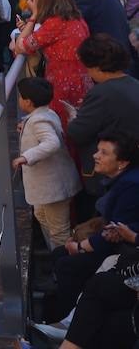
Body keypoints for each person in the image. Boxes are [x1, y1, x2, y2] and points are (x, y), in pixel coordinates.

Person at [51, 133, 139, 319]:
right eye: (98, 150)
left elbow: (115, 232)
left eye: (104, 153)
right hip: (117, 244)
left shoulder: (130, 185)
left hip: (126, 253)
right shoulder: (121, 180)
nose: (95, 155)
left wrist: (80, 247)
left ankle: (65, 321)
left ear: (122, 163)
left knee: (67, 264)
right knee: (60, 255)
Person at [14, 0, 91, 135]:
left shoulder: (55, 23)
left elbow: (20, 46)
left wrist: (34, 16)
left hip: (63, 84)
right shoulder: (76, 18)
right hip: (81, 80)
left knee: (63, 130)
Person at [11, 77, 81, 249]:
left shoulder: (38, 120)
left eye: (20, 96)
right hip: (48, 187)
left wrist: (27, 156)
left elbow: (51, 142)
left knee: (59, 230)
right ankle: (57, 258)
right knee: (42, 215)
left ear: (27, 101)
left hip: (53, 187)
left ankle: (63, 265)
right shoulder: (45, 114)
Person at [68, 34, 139, 181]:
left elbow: (78, 133)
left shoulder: (101, 92)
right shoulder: (134, 83)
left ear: (97, 68)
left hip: (108, 170)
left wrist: (73, 117)